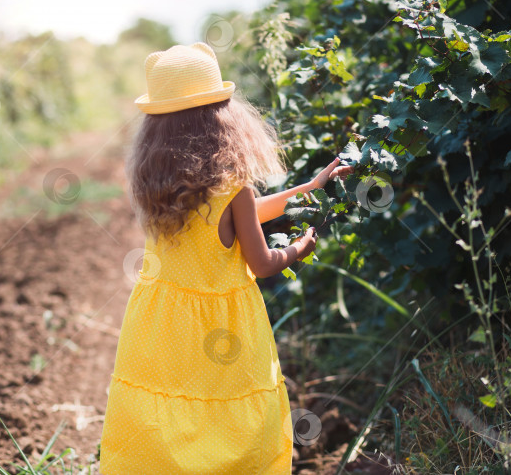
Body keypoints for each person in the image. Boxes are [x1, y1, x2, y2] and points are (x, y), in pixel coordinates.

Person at [98, 42, 352, 474]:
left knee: (168, 414)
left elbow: (242, 213)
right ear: (223, 117)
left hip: (162, 320)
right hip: (225, 323)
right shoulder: (235, 189)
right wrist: (300, 247)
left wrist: (308, 188)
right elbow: (264, 263)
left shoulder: (158, 190)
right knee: (229, 416)